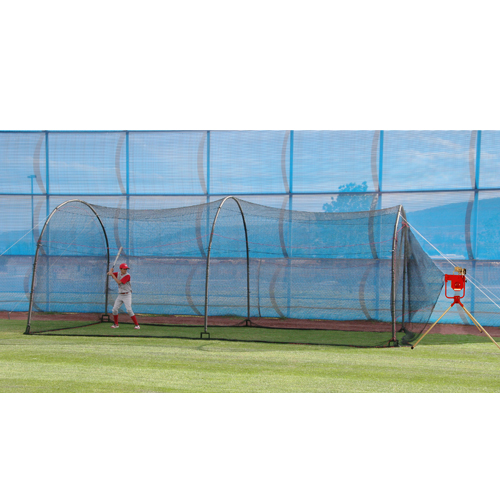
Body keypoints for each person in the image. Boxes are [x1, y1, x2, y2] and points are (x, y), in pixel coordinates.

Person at [107, 263, 140, 329]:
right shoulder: (118, 274)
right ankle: (116, 324)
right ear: (120, 269)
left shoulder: (127, 275)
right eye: (124, 269)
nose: (125, 270)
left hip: (127, 295)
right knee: (114, 309)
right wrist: (111, 271)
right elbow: (108, 274)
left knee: (129, 310)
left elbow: (119, 282)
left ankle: (137, 325)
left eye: (126, 269)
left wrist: (112, 274)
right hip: (120, 295)